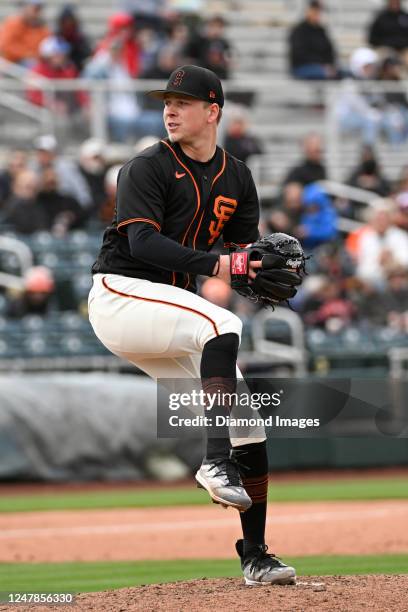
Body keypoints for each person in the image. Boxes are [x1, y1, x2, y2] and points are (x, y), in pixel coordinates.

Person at [88, 64, 296, 586]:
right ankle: (212, 462)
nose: (170, 110)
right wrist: (227, 267)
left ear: (213, 112)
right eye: (166, 101)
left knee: (250, 422)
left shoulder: (238, 176)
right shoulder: (146, 167)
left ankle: (256, 555)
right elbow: (143, 245)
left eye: (182, 102)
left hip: (169, 312)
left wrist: (258, 269)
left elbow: (240, 255)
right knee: (220, 323)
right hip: (122, 296)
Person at [288, 0, 339, 80]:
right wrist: (321, 64)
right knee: (326, 73)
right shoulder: (299, 31)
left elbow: (330, 50)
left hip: (322, 67)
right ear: (308, 11)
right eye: (315, 11)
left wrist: (329, 64)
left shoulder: (321, 30)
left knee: (343, 72)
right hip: (302, 67)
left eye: (318, 12)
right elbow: (299, 54)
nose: (317, 14)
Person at [0, 0, 50, 66]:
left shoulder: (42, 28)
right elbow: (5, 45)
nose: (37, 13)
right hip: (13, 63)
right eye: (35, 9)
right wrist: (28, 54)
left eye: (39, 9)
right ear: (25, 8)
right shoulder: (13, 24)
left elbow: (46, 46)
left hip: (34, 61)